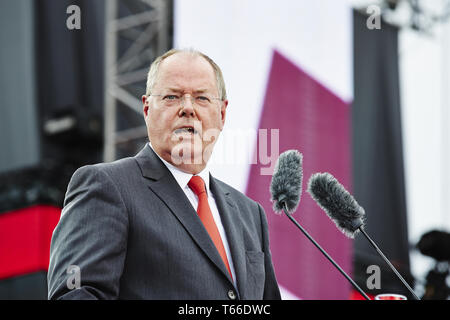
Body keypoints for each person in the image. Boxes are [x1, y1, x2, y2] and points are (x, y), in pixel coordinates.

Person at [47, 48, 281, 300]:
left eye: (202, 98)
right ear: (147, 109)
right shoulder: (108, 187)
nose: (188, 108)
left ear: (222, 114)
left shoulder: (250, 213)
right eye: (172, 97)